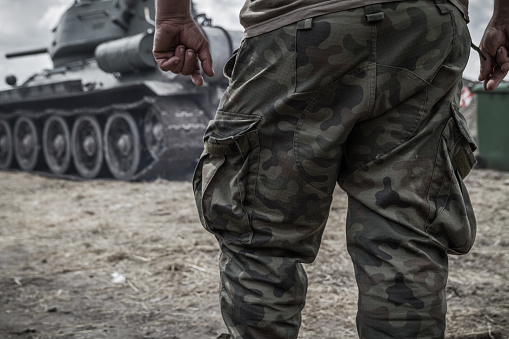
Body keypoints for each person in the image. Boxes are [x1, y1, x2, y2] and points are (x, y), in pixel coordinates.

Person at [153, 0, 509, 337]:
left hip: (298, 25)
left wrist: (172, 17)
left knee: (261, 236)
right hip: (427, 25)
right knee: (405, 236)